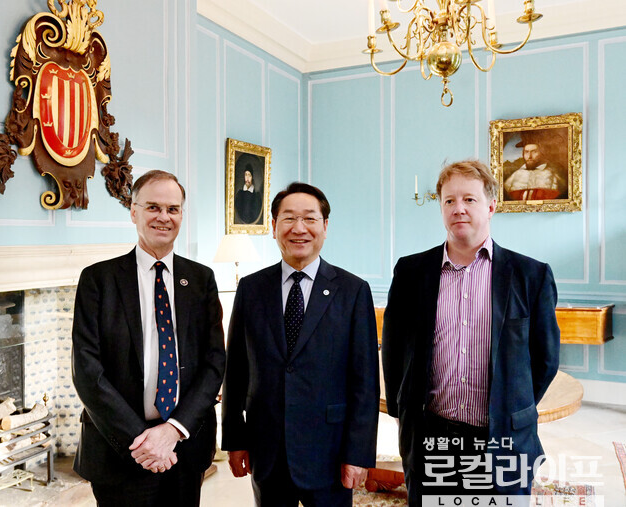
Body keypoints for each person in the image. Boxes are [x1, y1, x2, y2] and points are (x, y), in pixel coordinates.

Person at [382, 160, 560, 506]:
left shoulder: (531, 275)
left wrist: (511, 406)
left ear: (491, 206)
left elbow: (546, 359)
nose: (458, 208)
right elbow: (393, 349)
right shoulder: (411, 272)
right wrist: (403, 412)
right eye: (449, 200)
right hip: (431, 438)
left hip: (502, 440)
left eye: (469, 199)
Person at [72, 170, 225, 507]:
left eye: (173, 209)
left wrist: (173, 430)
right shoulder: (98, 279)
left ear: (181, 215)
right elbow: (87, 371)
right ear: (133, 212)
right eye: (153, 207)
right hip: (119, 450)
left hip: (185, 447)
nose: (163, 217)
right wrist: (144, 442)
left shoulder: (201, 280)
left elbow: (214, 363)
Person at [221, 182, 380, 507]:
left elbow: (364, 383)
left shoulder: (352, 291)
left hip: (330, 450)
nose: (299, 228)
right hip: (267, 448)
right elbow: (235, 369)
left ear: (325, 226)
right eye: (289, 218)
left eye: (309, 218)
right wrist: (235, 438)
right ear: (274, 226)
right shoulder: (251, 289)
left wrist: (358, 453)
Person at [503, 140, 568, 200]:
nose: (529, 156)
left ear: (541, 154)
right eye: (526, 152)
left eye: (534, 152)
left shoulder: (550, 175)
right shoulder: (516, 174)